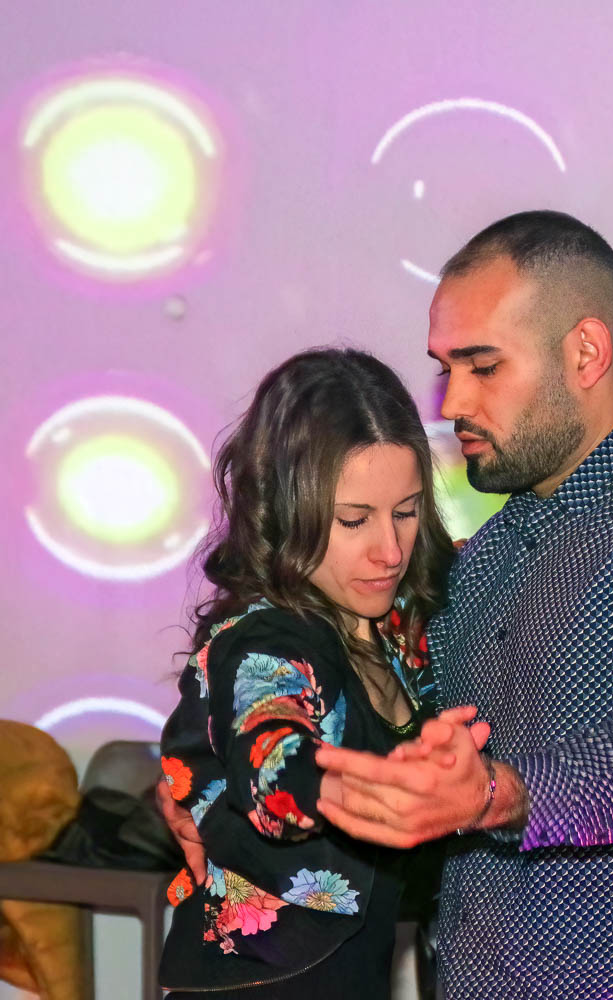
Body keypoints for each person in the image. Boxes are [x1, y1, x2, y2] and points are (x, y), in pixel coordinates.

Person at [313, 211, 613, 999]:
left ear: (585, 353)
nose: (452, 402)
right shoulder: (485, 556)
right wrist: (212, 774)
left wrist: (493, 795)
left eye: (483, 366)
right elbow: (384, 717)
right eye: (446, 368)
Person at [157, 348, 470, 998]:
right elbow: (269, 741)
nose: (389, 550)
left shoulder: (397, 617)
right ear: (287, 510)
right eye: (354, 520)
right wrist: (336, 786)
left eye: (406, 511)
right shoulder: (266, 637)